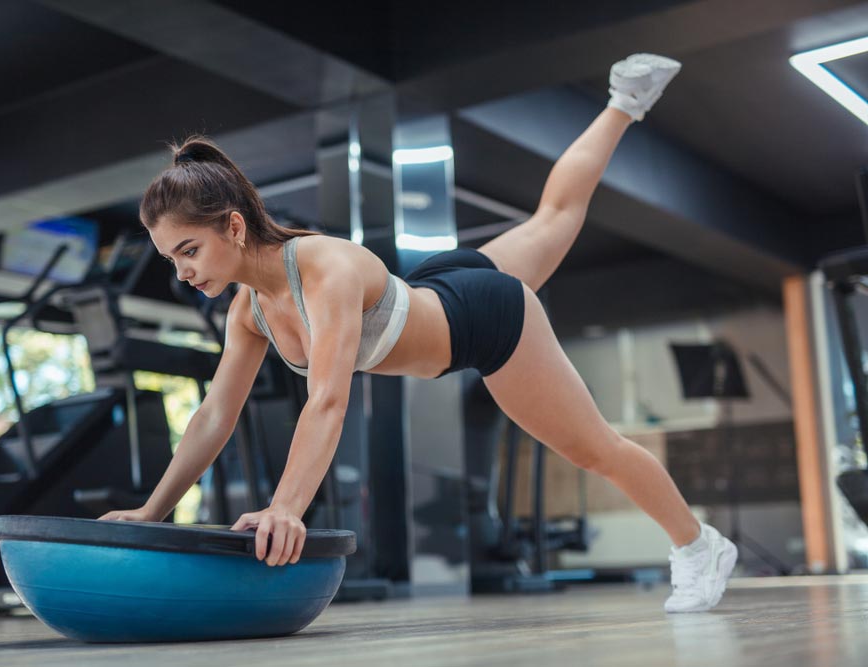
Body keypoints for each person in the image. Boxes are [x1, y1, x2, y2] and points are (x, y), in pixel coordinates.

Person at [100, 54, 738, 613]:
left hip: (483, 321)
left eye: (188, 251)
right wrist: (154, 509)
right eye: (172, 261)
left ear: (234, 228)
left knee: (594, 449)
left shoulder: (323, 271)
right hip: (437, 283)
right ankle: (625, 101)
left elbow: (329, 399)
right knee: (555, 216)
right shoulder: (250, 309)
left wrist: (286, 506)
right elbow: (215, 415)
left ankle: (698, 545)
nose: (182, 273)